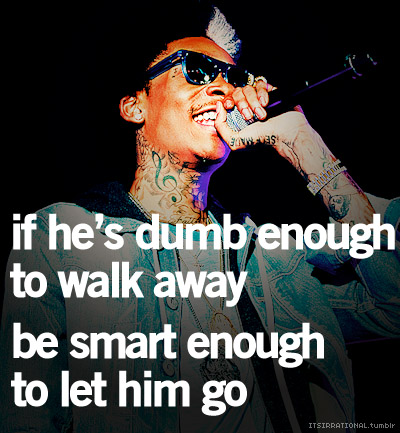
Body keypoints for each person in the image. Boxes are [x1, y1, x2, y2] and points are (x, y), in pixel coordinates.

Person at [1, 2, 399, 432]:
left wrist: (306, 146)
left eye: (234, 79)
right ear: (134, 106)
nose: (223, 89)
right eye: (197, 70)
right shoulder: (59, 237)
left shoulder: (272, 258)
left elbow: (391, 305)